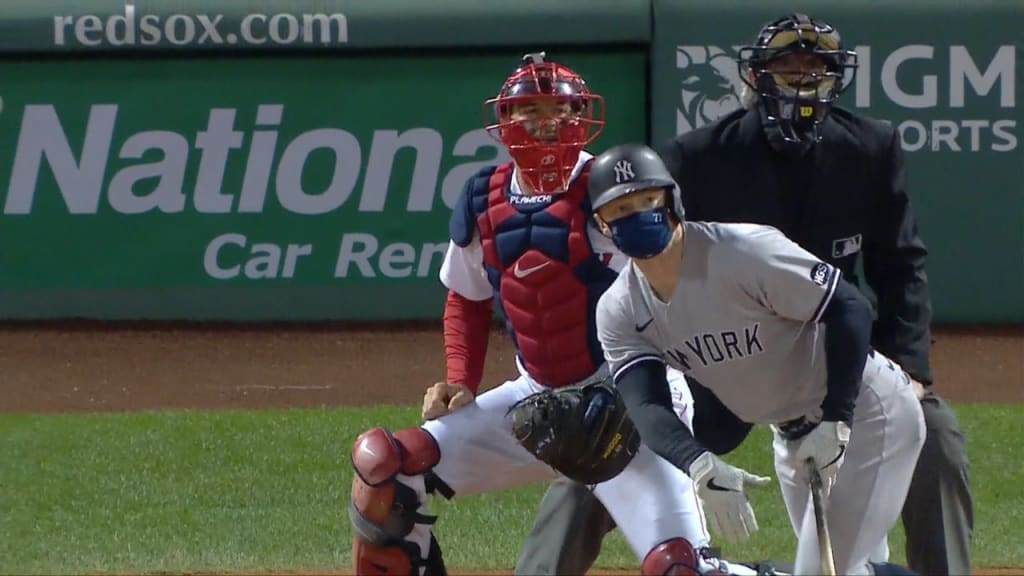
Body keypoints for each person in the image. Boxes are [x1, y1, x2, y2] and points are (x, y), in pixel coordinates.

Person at [347, 52, 754, 576]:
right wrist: (459, 379)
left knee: (682, 569)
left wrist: (643, 389)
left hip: (626, 402)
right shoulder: (483, 199)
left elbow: (678, 286)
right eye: (529, 110)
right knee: (385, 465)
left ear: (581, 117)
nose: (547, 122)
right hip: (533, 401)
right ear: (505, 121)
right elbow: (465, 298)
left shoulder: (615, 188)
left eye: (560, 109)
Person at [656, 14, 973, 575]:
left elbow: (900, 264)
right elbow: (663, 270)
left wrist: (909, 368)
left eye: (816, 68)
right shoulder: (697, 157)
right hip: (732, 351)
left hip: (836, 351)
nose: (802, 78)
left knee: (937, 436)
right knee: (622, 436)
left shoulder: (869, 148)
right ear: (756, 77)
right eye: (787, 66)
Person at [587, 142, 927, 575]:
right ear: (602, 223)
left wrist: (836, 418)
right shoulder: (619, 309)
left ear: (671, 199)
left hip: (867, 413)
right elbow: (647, 403)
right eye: (621, 209)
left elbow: (849, 307)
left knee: (822, 573)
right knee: (848, 568)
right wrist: (699, 463)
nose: (637, 215)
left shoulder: (743, 251)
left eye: (647, 200)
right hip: (791, 438)